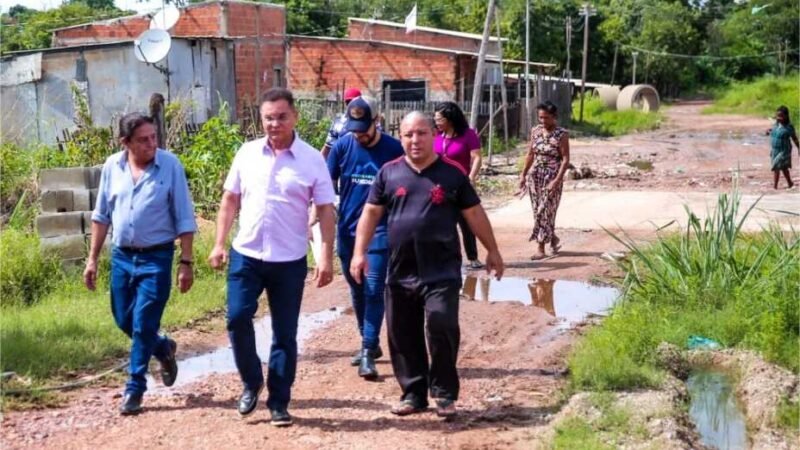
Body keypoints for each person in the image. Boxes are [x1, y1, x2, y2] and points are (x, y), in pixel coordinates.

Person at [350, 111, 504, 418]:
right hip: (400, 269)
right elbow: (370, 213)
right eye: (408, 135)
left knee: (441, 325)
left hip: (441, 270)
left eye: (421, 133)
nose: (415, 140)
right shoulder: (388, 173)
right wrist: (359, 252)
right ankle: (413, 393)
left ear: (432, 134)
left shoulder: (452, 174)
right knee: (402, 333)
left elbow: (474, 214)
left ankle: (445, 393)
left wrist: (492, 251)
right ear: (401, 137)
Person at [208, 88, 336, 427]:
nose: (274, 124)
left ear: (294, 116)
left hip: (289, 260)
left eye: (281, 116)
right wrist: (219, 243)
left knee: (284, 333)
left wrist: (325, 256)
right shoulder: (247, 153)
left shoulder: (312, 160)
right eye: (268, 117)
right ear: (260, 119)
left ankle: (279, 401)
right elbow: (229, 200)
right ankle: (252, 380)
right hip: (246, 254)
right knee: (237, 318)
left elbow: (325, 210)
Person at [84, 112, 197, 415]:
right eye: (143, 140)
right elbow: (101, 215)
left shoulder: (170, 165)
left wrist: (186, 262)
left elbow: (184, 217)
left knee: (143, 323)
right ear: (126, 143)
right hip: (122, 257)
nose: (151, 144)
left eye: (153, 138)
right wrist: (92, 259)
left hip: (157, 257)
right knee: (124, 319)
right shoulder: (112, 166)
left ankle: (135, 388)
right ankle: (162, 348)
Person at [327, 96, 404, 379]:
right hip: (347, 230)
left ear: (377, 121)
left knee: (373, 288)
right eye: (354, 128)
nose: (358, 134)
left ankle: (368, 350)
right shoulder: (342, 145)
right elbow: (326, 182)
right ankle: (367, 340)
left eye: (363, 128)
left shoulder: (394, 150)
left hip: (381, 231)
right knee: (357, 287)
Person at [433, 101, 484, 269]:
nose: (436, 122)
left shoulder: (468, 134)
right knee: (443, 223)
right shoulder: (437, 137)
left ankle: (473, 257)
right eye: (435, 119)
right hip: (440, 186)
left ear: (451, 119)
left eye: (440, 119)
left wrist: (471, 177)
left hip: (461, 185)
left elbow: (476, 157)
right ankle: (447, 258)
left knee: (466, 222)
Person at [519, 101, 570, 260]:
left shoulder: (561, 134)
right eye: (540, 118)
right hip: (535, 175)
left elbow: (565, 159)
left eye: (546, 118)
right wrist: (523, 174)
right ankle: (552, 238)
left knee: (546, 210)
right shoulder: (535, 131)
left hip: (552, 176)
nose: (543, 121)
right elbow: (530, 154)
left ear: (554, 117)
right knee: (538, 210)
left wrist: (556, 180)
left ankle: (540, 248)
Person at [320, 87, 362, 159]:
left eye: (354, 101)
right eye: (348, 102)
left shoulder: (370, 122)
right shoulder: (339, 123)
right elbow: (328, 147)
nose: (351, 105)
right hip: (342, 163)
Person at [766, 105, 798, 189]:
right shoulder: (776, 125)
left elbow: (794, 138)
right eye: (777, 116)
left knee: (776, 166)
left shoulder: (789, 127)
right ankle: (790, 183)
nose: (778, 118)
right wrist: (769, 131)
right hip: (774, 150)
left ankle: (775, 186)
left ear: (786, 116)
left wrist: (799, 148)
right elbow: (773, 131)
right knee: (784, 168)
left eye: (781, 116)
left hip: (784, 150)